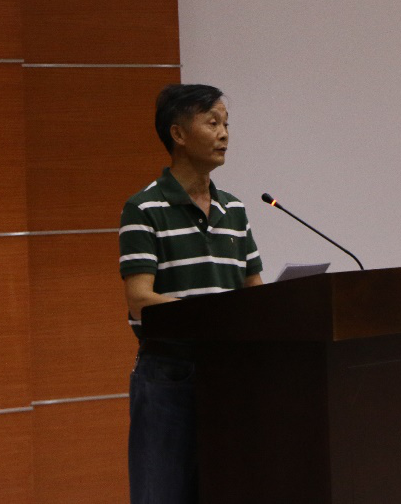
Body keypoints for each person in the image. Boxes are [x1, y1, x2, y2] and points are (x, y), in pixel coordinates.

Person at [119, 83, 263, 504]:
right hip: (169, 375)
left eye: (226, 124)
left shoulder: (234, 210)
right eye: (212, 123)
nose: (224, 134)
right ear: (178, 134)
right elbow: (140, 301)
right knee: (162, 493)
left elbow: (255, 291)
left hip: (229, 374)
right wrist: (212, 316)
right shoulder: (144, 209)